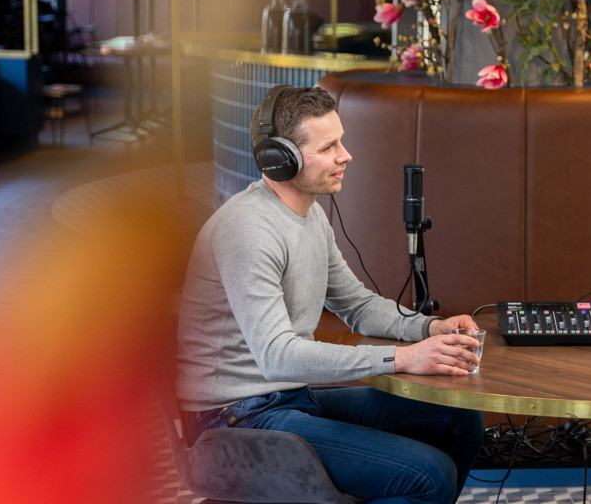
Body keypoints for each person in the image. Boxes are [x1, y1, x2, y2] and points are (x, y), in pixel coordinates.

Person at [176, 85, 484, 504]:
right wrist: (402, 358)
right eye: (329, 146)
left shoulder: (310, 215)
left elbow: (355, 304)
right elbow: (278, 355)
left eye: (341, 141)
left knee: (459, 420)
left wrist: (430, 326)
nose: (346, 155)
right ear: (280, 158)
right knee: (427, 476)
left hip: (287, 398)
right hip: (235, 419)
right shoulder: (247, 230)